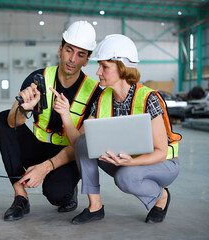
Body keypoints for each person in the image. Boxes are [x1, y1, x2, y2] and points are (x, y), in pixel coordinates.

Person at [51, 34, 182, 224]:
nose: (98, 72)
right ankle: (95, 207)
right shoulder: (103, 98)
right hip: (124, 160)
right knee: (84, 143)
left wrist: (129, 163)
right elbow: (78, 143)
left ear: (122, 68)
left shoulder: (149, 99)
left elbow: (161, 152)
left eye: (104, 67)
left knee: (125, 177)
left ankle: (161, 197)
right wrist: (65, 114)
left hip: (162, 163)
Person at [0, 20, 103, 221]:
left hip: (67, 154)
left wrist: (45, 168)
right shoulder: (38, 78)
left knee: (56, 194)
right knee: (3, 118)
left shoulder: (95, 93)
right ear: (60, 50)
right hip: (38, 146)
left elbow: (83, 144)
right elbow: (11, 123)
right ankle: (20, 196)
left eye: (80, 54)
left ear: (87, 60)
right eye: (69, 50)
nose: (72, 59)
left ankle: (68, 192)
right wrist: (22, 108)